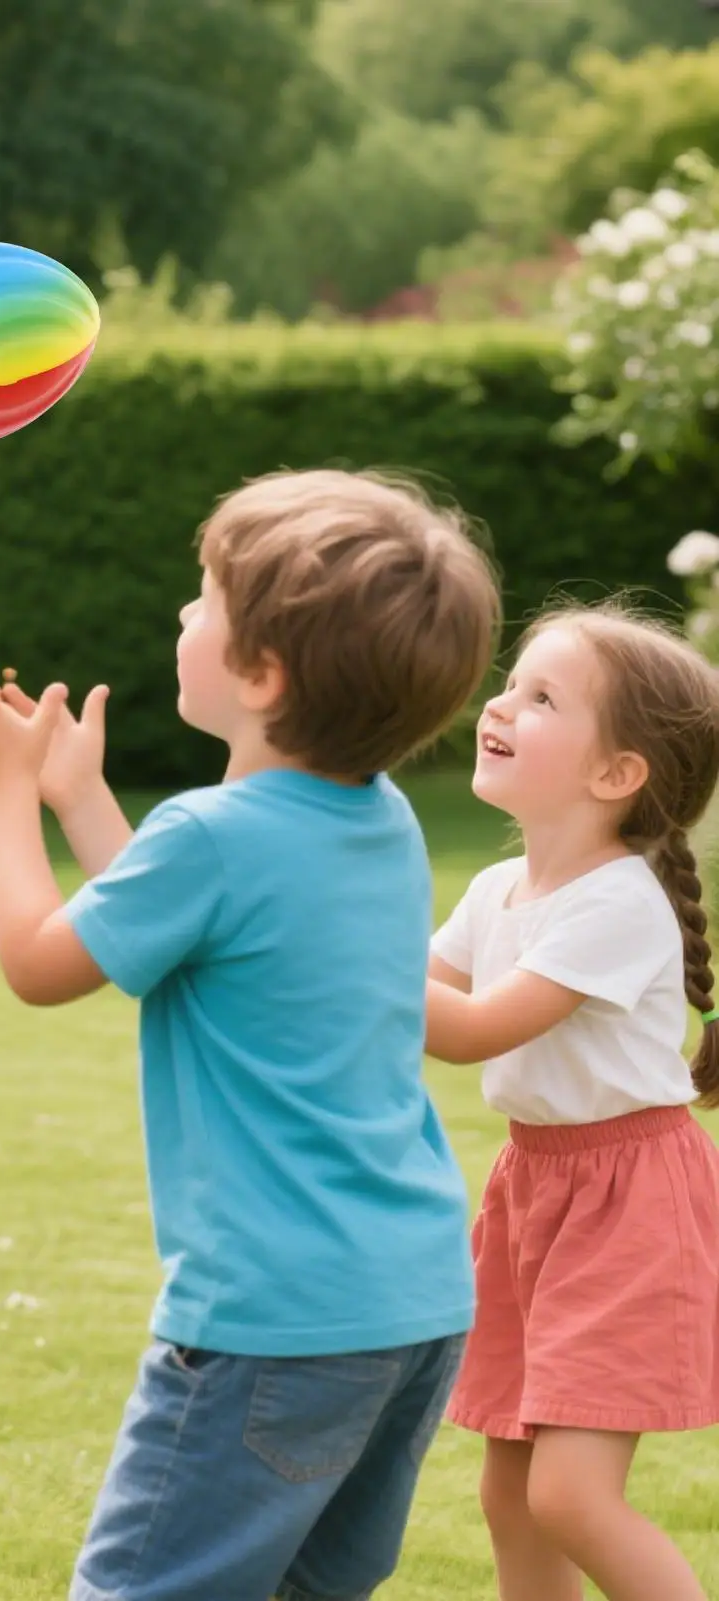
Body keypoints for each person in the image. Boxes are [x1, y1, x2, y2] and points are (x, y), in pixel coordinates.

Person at [0, 469, 500, 1601]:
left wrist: (0, 790)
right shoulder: (382, 819)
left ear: (261, 673)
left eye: (201, 604)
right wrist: (80, 802)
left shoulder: (210, 834)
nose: (181, 618)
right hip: (410, 1305)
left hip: (272, 1317)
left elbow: (42, 962)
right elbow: (198, 926)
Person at [427, 602, 719, 1601]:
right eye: (510, 682)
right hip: (535, 1188)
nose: (498, 704)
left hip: (625, 1200)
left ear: (614, 774)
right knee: (509, 1495)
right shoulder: (496, 886)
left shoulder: (614, 901)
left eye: (539, 696)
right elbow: (407, 996)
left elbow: (463, 1027)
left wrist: (325, 937)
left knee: (569, 1496)